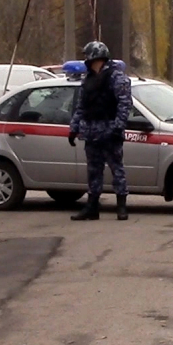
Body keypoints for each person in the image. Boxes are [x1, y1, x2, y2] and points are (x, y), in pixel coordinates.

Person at [69, 41, 133, 221]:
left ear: (95, 56)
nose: (86, 60)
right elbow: (81, 106)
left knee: (117, 169)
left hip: (110, 130)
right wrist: (73, 128)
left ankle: (121, 206)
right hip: (91, 131)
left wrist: (117, 127)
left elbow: (125, 104)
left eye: (87, 56)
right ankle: (92, 207)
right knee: (93, 171)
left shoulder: (116, 77)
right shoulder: (87, 79)